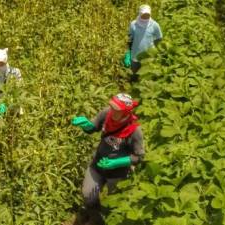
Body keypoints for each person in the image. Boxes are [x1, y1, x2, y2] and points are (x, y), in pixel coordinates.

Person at [71, 93, 144, 225]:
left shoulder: (134, 131)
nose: (113, 111)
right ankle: (96, 217)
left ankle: (109, 220)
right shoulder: (106, 114)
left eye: (118, 110)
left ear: (126, 112)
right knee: (88, 195)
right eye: (112, 107)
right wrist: (86, 124)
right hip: (97, 165)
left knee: (115, 203)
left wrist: (116, 163)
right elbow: (94, 127)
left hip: (118, 174)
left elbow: (138, 157)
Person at [123, 4, 163, 82]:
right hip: (135, 54)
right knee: (134, 75)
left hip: (148, 56)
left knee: (147, 76)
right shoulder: (133, 24)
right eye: (143, 14)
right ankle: (133, 88)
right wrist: (128, 52)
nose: (145, 16)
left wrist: (153, 48)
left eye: (147, 14)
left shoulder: (154, 25)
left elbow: (159, 38)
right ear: (140, 14)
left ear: (150, 14)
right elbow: (129, 39)